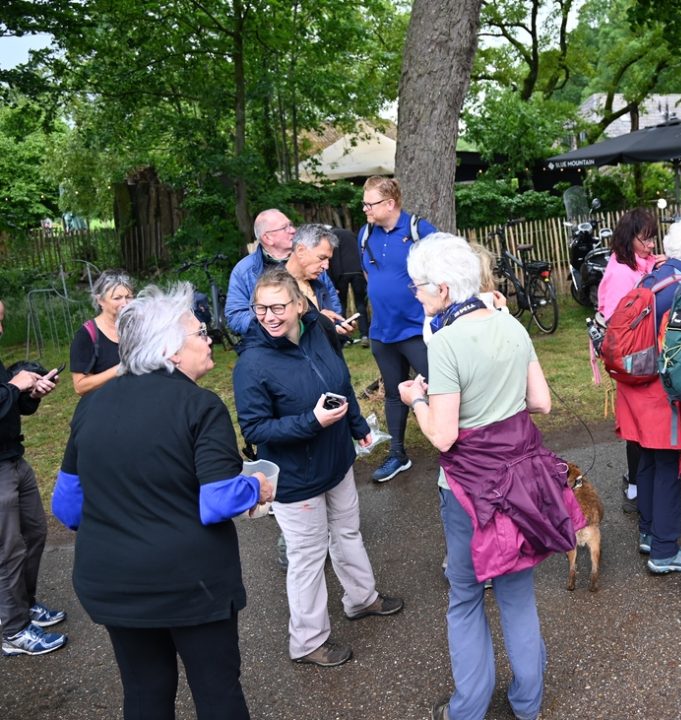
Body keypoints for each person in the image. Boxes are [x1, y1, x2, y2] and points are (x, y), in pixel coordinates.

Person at [50, 284, 274, 716]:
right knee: (217, 691)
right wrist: (257, 487)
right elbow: (217, 501)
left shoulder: (91, 407)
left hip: (113, 582)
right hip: (190, 584)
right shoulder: (200, 406)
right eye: (200, 332)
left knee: (144, 692)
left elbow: (67, 508)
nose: (209, 339)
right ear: (171, 351)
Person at [397, 234, 582, 720]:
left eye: (418, 286)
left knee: (465, 598)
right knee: (517, 598)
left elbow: (442, 436)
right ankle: (527, 703)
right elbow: (540, 401)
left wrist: (416, 399)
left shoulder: (446, 343)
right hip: (521, 483)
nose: (415, 294)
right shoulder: (511, 325)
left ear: (442, 288)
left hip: (469, 491)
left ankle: (469, 709)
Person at [232, 268, 402, 668]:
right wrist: (311, 422)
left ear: (299, 305)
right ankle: (307, 641)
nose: (269, 316)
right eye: (260, 308)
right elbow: (255, 428)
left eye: (278, 307)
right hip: (295, 478)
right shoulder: (251, 363)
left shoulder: (318, 332)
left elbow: (340, 383)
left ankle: (361, 598)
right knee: (307, 556)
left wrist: (358, 427)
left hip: (336, 460)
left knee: (347, 532)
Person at [617, 220, 681, 574]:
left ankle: (649, 532)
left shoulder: (649, 279)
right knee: (668, 466)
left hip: (634, 383)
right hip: (659, 390)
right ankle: (665, 550)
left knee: (649, 462)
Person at [359, 176, 438, 483]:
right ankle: (397, 454)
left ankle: (461, 446)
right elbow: (370, 275)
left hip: (417, 331)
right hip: (382, 332)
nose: (365, 209)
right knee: (394, 393)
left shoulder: (420, 230)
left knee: (441, 387)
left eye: (370, 203)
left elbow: (445, 271)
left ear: (389, 203)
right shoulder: (365, 234)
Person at [1, 300, 65, 657]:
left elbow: (9, 405)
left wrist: (31, 394)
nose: (0, 330)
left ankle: (24, 606)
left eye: (1, 321)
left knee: (35, 533)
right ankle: (13, 630)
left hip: (14, 458)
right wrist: (14, 386)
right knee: (7, 550)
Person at [596, 208, 665, 514]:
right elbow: (616, 322)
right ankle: (635, 485)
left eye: (652, 238)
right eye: (644, 239)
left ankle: (640, 481)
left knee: (643, 422)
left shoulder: (641, 262)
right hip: (631, 359)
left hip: (642, 355)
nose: (650, 245)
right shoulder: (620, 273)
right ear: (628, 238)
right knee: (636, 425)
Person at [224, 208, 340, 338]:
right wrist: (276, 324)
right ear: (267, 238)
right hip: (270, 347)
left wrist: (336, 324)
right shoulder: (245, 271)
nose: (293, 230)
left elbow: (331, 301)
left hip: (317, 343)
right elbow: (236, 317)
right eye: (285, 228)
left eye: (291, 225)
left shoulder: (311, 261)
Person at [284, 224, 356, 343]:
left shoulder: (321, 283)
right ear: (300, 251)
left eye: (328, 259)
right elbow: (272, 332)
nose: (326, 266)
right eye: (322, 258)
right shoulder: (273, 286)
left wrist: (338, 331)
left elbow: (333, 318)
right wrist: (317, 320)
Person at [69, 270, 135, 395]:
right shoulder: (86, 335)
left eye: (128, 297)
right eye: (117, 298)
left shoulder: (139, 327)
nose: (125, 303)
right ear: (100, 300)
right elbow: (80, 387)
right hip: (108, 402)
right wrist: (121, 368)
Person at [330, 227, 369, 346]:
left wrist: (334, 281)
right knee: (360, 303)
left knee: (341, 304)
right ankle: (365, 335)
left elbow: (333, 258)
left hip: (341, 273)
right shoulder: (351, 234)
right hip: (358, 271)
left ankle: (344, 337)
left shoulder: (332, 236)